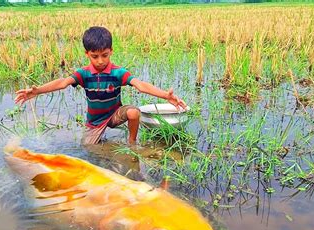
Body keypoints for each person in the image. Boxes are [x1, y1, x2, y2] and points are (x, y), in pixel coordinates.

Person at [14, 26, 186, 145]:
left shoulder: (117, 73)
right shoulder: (84, 74)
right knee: (90, 151)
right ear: (87, 54)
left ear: (111, 51)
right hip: (94, 121)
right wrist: (37, 91)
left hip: (114, 115)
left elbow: (140, 85)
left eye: (105, 55)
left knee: (134, 111)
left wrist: (166, 95)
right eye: (95, 56)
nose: (101, 61)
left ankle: (132, 143)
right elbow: (62, 82)